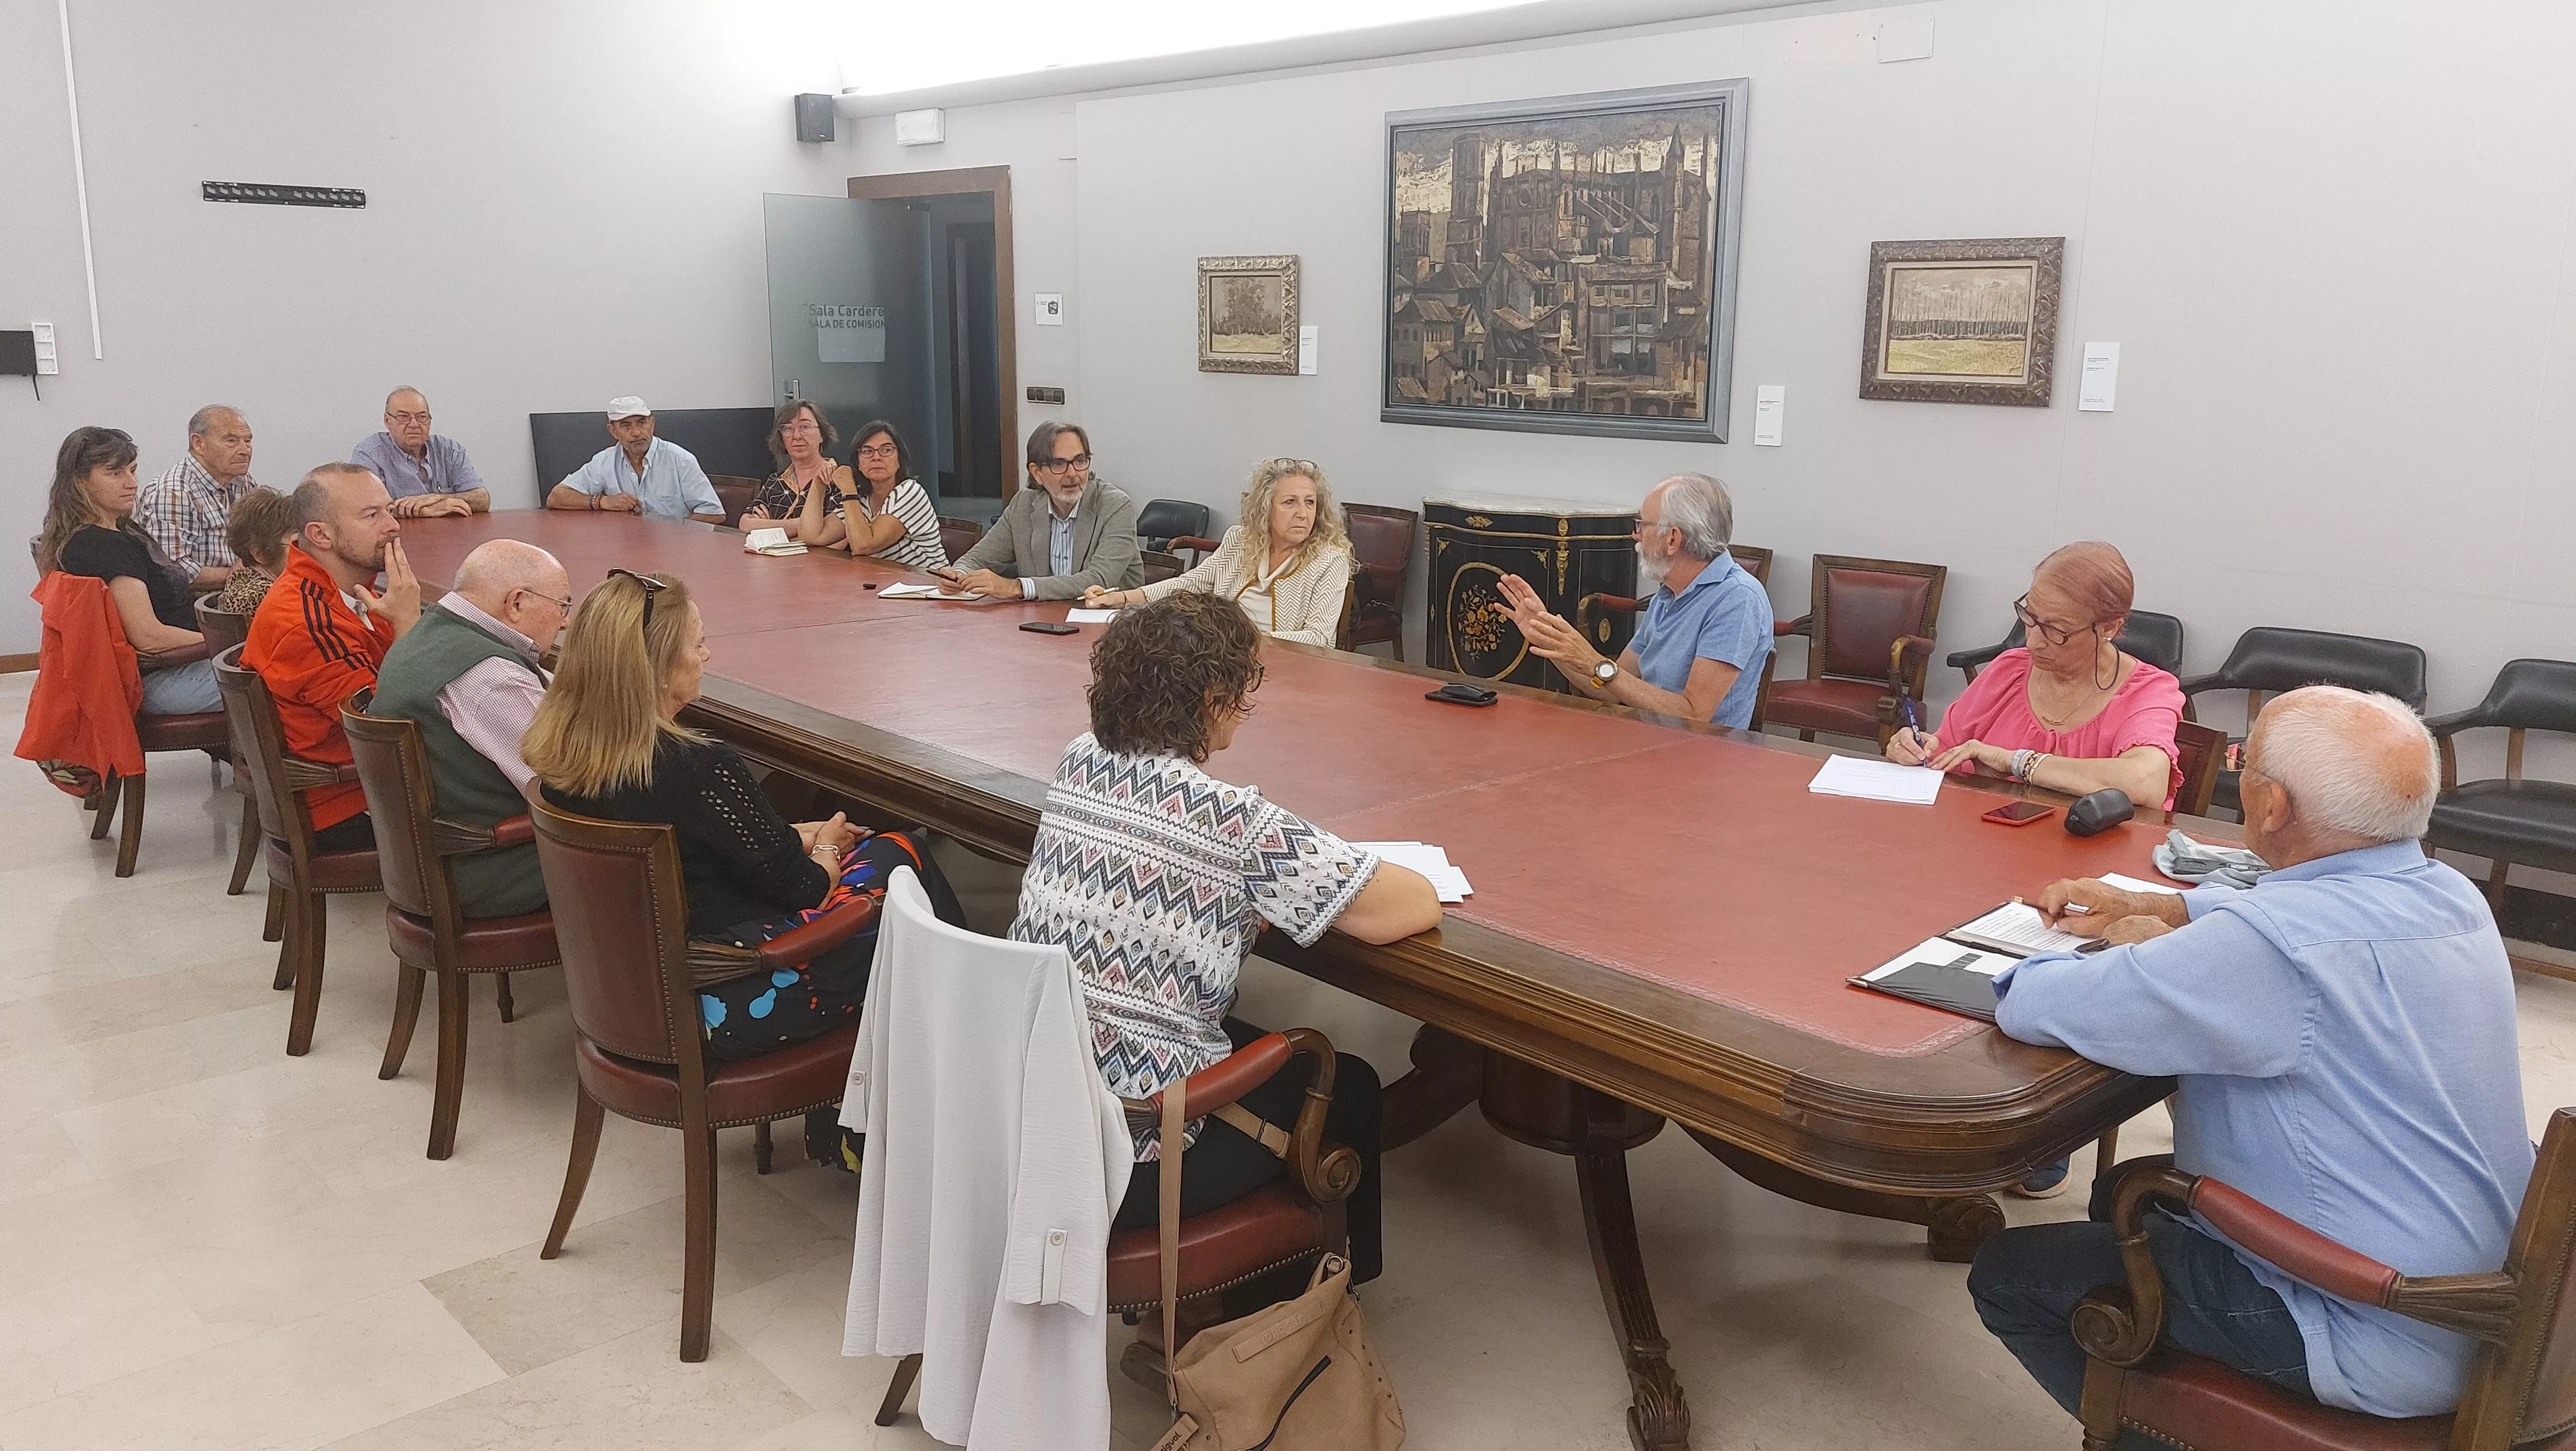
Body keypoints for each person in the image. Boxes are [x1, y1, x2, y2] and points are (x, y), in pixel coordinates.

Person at [1969, 687, 2533, 1439]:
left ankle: (2157, 1430)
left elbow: (2036, 1005)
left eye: (2243, 761)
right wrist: (2171, 913)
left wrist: (2057, 958)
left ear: (2271, 806)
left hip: (2375, 1323)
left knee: (2013, 1275)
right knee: (2120, 1196)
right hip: (2494, 1299)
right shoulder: (2453, 897)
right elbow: (2300, 924)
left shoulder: (2272, 953)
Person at [1007, 592, 1444, 1284]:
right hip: (1134, 1150)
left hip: (1027, 1107)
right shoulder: (1236, 823)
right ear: (1213, 699)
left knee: (1252, 1041)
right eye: (1240, 695)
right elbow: (1406, 908)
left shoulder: (1078, 761)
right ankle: (1282, 1319)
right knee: (1348, 1083)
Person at [525, 569, 963, 1072]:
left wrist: (794, 837)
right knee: (904, 857)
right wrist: (825, 846)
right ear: (660, 669)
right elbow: (805, 891)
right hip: (729, 992)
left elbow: (697, 847)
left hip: (631, 988)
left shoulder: (562, 753)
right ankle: (958, 1043)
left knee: (889, 861)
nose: (707, 656)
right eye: (699, 644)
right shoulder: (697, 767)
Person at [1886, 541, 2183, 812]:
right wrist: (1915, 750)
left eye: (2056, 631)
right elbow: (1946, 752)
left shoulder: (2148, 691)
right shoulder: (2009, 670)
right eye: (2030, 617)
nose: (2032, 642)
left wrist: (2014, 761)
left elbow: (2146, 782)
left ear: (2109, 628)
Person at [370, 540, 570, 918]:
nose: (565, 621)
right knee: (674, 846)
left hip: (433, 865)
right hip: (491, 869)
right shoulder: (490, 678)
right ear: (516, 603)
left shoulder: (427, 634)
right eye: (563, 604)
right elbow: (568, 786)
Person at [1498, 473, 1773, 728]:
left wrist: (1596, 663)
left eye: (1642, 525)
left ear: (1673, 539)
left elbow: (1694, 715)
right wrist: (1546, 636)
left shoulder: (1737, 599)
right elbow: (1607, 687)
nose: (1636, 535)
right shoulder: (1669, 594)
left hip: (1701, 762)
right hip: (1644, 741)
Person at [242, 464, 421, 851]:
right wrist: (409, 622)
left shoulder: (340, 592)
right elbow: (386, 730)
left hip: (372, 782)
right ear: (319, 535)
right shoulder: (307, 622)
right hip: (349, 805)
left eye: (389, 510)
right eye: (372, 515)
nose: (392, 525)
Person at [36, 427, 219, 714]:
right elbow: (148, 637)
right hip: (161, 681)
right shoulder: (104, 546)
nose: (132, 483)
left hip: (172, 669)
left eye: (133, 471)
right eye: (115, 473)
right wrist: (231, 637)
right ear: (80, 482)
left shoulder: (101, 532)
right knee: (292, 678)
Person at [1084, 457, 1352, 647]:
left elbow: (1319, 637)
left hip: (1288, 665)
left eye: (1310, 503)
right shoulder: (1240, 540)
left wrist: (1248, 639)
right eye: (1290, 503)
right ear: (1266, 508)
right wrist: (1120, 598)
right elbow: (1190, 583)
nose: (1303, 514)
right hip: (1224, 657)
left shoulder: (1329, 559)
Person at [942, 421, 1140, 600]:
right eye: (1059, 464)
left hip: (1108, 624)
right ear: (1037, 473)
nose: (1073, 474)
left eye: (1080, 461)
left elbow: (1100, 580)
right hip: (1042, 622)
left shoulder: (1115, 506)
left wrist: (1018, 587)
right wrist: (958, 575)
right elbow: (979, 558)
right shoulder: (1024, 505)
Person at [136, 405, 260, 590]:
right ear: (198, 443)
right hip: (195, 605)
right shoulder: (173, 493)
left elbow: (263, 536)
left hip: (241, 591)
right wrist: (238, 574)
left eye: (248, 441)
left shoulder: (242, 481)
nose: (245, 450)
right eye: (231, 441)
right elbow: (174, 572)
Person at [544, 397, 725, 523]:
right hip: (624, 549)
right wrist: (601, 502)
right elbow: (556, 497)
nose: (637, 432)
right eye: (626, 426)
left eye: (642, 423)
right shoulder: (605, 461)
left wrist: (679, 535)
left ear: (652, 424)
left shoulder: (680, 460)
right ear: (613, 431)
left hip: (674, 550)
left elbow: (713, 513)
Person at [816, 420, 947, 572]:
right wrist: (819, 484)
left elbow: (863, 546)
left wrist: (848, 489)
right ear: (858, 463)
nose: (876, 457)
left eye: (886, 450)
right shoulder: (863, 497)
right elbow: (813, 536)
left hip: (930, 586)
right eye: (867, 451)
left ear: (899, 460)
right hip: (885, 583)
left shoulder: (910, 492)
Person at [349, 387, 489, 517]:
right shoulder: (369, 454)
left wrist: (437, 498)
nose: (414, 424)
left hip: (451, 537)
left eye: (422, 417)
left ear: (429, 422)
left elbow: (482, 499)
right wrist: (426, 510)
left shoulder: (450, 450)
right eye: (404, 417)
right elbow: (367, 510)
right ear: (388, 421)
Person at [738, 398, 853, 543]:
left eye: (805, 427)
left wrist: (768, 529)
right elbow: (745, 523)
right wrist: (804, 526)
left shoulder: (840, 480)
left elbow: (833, 540)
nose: (797, 436)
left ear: (822, 435)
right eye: (788, 429)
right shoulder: (775, 481)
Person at [211, 487, 297, 615]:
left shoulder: (240, 579)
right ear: (260, 554)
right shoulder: (266, 595)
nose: (306, 552)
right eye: (296, 545)